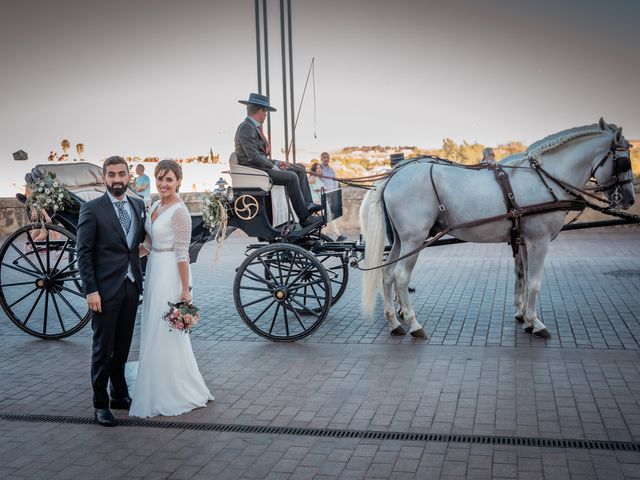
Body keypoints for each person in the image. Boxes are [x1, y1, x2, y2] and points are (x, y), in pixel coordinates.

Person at [129, 159, 214, 418]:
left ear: (178, 180)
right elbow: (148, 245)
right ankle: (154, 376)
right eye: (160, 178)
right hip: (154, 268)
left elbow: (182, 254)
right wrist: (126, 257)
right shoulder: (154, 205)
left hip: (171, 274)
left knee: (168, 331)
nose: (164, 184)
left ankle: (172, 387)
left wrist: (185, 289)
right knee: (153, 325)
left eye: (169, 179)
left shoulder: (180, 212)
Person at [76, 156, 147, 427]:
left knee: (123, 346)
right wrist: (91, 290)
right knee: (102, 349)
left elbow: (136, 246)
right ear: (104, 178)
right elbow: (83, 253)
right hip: (103, 291)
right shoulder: (92, 209)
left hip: (130, 288)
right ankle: (100, 404)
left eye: (121, 174)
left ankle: (119, 394)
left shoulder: (138, 205)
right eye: (112, 174)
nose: (117, 179)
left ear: (129, 176)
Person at [234, 92, 321, 227]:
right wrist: (273, 166)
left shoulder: (252, 127)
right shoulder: (246, 127)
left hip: (262, 167)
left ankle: (307, 205)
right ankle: (304, 219)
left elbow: (259, 155)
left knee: (299, 168)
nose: (266, 115)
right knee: (291, 177)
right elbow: (253, 157)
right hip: (256, 172)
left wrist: (275, 162)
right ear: (260, 110)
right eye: (266, 111)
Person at [319, 152, 346, 241]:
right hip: (323, 195)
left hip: (331, 195)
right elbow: (317, 181)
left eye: (327, 157)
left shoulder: (331, 170)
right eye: (324, 157)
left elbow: (335, 182)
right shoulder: (319, 169)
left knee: (329, 216)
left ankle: (323, 236)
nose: (326, 159)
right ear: (321, 158)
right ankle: (335, 235)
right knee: (327, 216)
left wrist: (335, 193)